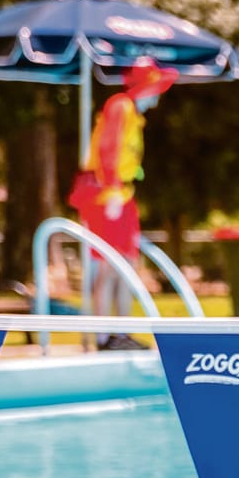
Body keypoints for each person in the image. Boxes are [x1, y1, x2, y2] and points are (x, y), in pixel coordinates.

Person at [67, 57, 176, 350]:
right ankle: (104, 337)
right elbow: (108, 149)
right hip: (107, 198)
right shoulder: (120, 106)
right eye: (155, 90)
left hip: (123, 196)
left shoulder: (134, 114)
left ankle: (122, 332)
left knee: (127, 263)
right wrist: (113, 189)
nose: (157, 98)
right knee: (109, 265)